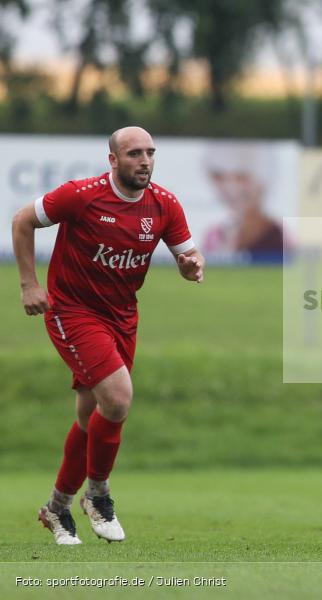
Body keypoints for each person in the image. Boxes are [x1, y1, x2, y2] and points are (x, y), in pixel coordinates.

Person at [11, 126, 205, 545]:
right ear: (113, 160)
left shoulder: (164, 204)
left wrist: (192, 264)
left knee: (90, 419)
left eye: (150, 153)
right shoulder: (81, 195)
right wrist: (29, 284)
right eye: (135, 153)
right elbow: (22, 220)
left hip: (122, 318)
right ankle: (97, 495)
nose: (145, 161)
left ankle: (56, 508)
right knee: (117, 399)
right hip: (73, 312)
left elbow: (189, 253)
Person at [202, 143, 287, 264]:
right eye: (219, 176)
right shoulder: (215, 235)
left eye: (242, 177)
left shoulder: (278, 236)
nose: (231, 188)